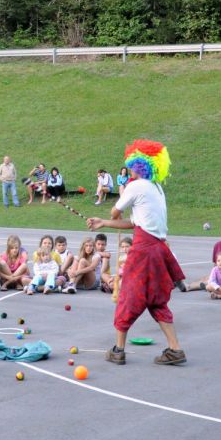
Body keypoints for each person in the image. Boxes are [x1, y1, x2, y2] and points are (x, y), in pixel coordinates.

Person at [86, 139, 187, 366]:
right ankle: (175, 350)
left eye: (131, 164)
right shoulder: (156, 189)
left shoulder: (136, 185)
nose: (129, 168)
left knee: (128, 295)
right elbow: (135, 223)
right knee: (156, 300)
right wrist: (103, 223)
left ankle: (118, 350)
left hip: (143, 252)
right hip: (157, 250)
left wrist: (110, 215)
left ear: (139, 165)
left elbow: (116, 211)